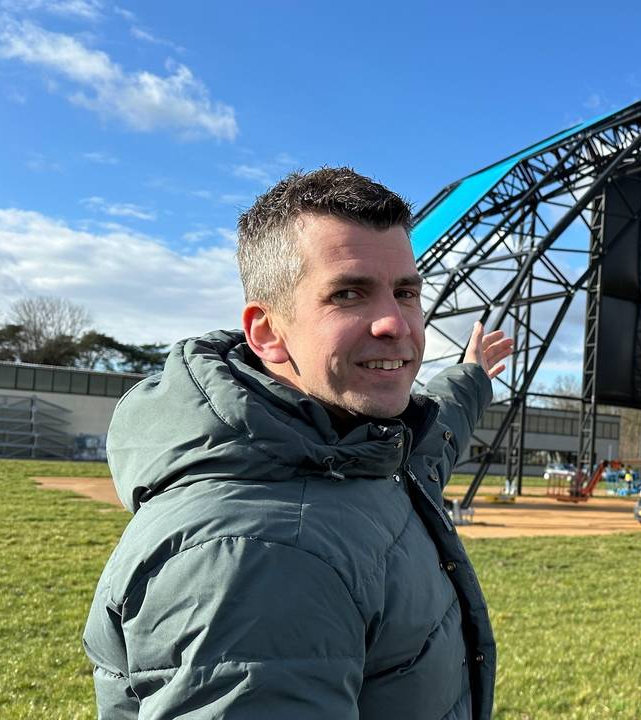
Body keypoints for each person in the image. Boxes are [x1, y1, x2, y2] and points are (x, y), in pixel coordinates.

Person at [82, 167, 512, 719]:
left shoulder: (352, 449)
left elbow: (432, 441)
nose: (395, 324)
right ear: (266, 332)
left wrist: (471, 376)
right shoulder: (258, 556)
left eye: (406, 292)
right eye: (349, 293)